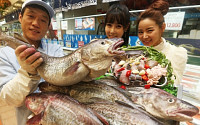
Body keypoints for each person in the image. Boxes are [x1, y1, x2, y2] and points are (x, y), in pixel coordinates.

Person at [0, 0, 64, 125]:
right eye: (31, 16)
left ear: (48, 25)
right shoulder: (4, 54)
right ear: (20, 17)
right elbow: (9, 99)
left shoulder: (55, 50)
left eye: (43, 20)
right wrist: (27, 73)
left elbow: (63, 83)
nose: (36, 23)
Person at [137, 0, 188, 86]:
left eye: (150, 31)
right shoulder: (138, 53)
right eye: (140, 32)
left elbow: (173, 85)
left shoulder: (177, 53)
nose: (144, 36)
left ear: (162, 27)